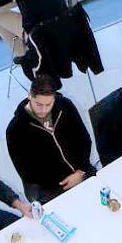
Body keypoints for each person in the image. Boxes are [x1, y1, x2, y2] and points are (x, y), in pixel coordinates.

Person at [6, 75, 96, 203]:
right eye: (39, 104)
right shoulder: (16, 129)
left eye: (48, 104)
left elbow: (84, 140)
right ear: (30, 95)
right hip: (49, 186)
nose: (44, 110)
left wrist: (80, 171)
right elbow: (25, 170)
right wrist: (63, 183)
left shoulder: (65, 106)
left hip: (80, 170)